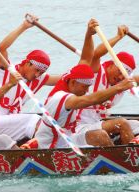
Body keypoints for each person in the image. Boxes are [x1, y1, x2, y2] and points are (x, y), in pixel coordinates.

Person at [21, 19, 135, 149]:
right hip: (54, 144)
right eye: (85, 87)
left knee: (121, 127)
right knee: (102, 135)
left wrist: (89, 34)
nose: (87, 90)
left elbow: (86, 58)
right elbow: (91, 98)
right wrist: (119, 87)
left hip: (69, 135)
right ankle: (126, 161)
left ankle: (126, 157)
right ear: (74, 83)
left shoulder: (75, 77)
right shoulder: (62, 97)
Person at [0, 15, 63, 142]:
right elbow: (2, 48)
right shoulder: (6, 69)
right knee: (34, 119)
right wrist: (24, 26)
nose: (38, 75)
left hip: (9, 125)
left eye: (42, 72)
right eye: (37, 70)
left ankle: (45, 148)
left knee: (49, 119)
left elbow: (69, 78)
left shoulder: (38, 80)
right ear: (27, 63)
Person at [75, 25, 139, 144]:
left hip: (96, 123)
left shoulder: (123, 81)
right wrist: (118, 37)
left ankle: (129, 152)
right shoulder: (95, 71)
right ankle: (129, 159)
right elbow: (96, 54)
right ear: (112, 64)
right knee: (122, 123)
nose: (120, 77)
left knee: (136, 125)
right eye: (119, 71)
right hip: (78, 126)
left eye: (123, 75)